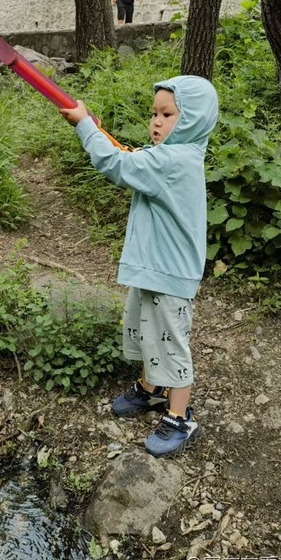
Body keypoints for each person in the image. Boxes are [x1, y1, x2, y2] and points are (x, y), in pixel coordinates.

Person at [60, 75, 219, 458]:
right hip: (153, 269)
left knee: (171, 342)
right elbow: (131, 157)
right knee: (148, 333)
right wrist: (97, 128)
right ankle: (151, 390)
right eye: (154, 114)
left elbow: (116, 163)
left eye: (167, 114)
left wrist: (84, 125)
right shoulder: (171, 156)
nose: (156, 122)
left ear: (192, 120)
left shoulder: (173, 160)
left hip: (168, 274)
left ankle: (180, 416)